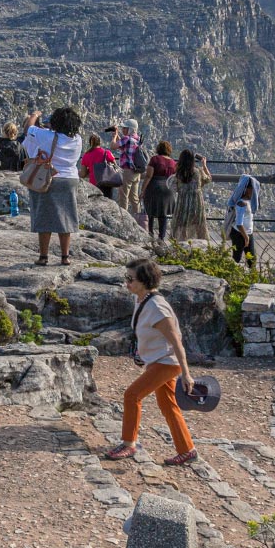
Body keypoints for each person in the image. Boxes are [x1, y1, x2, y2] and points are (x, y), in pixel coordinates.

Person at [101, 258, 199, 467]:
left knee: (132, 395)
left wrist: (186, 374)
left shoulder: (157, 308)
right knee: (167, 404)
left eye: (131, 279)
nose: (127, 282)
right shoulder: (142, 299)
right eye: (126, 278)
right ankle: (187, 450)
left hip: (166, 363)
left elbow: (177, 342)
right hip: (157, 361)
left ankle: (128, 443)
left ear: (144, 280)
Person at [21, 106, 84, 265]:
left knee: (44, 216)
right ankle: (65, 257)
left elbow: (28, 128)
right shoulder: (78, 139)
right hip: (70, 179)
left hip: (49, 178)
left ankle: (43, 257)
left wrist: (35, 115)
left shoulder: (48, 137)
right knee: (66, 217)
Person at [169, 149, 211, 242]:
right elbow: (208, 179)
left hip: (183, 201)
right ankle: (201, 242)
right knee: (199, 222)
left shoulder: (178, 173)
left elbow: (173, 187)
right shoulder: (198, 171)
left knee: (182, 222)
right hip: (196, 201)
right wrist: (204, 165)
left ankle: (180, 242)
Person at [141, 141, 178, 242]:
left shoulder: (154, 159)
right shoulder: (173, 163)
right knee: (164, 213)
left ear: (158, 149)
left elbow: (148, 176)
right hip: (168, 190)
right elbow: (175, 179)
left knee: (150, 211)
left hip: (154, 187)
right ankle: (161, 237)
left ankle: (150, 234)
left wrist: (142, 190)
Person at [113, 120, 146, 213]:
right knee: (134, 198)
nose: (123, 130)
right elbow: (124, 146)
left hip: (127, 171)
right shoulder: (138, 139)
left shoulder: (127, 139)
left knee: (123, 196)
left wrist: (115, 136)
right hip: (136, 172)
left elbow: (113, 146)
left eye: (125, 128)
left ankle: (123, 219)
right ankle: (138, 219)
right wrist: (117, 135)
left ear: (130, 129)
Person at [227, 174, 260, 264]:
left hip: (248, 233)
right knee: (236, 258)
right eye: (252, 189)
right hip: (239, 233)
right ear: (247, 189)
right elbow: (239, 223)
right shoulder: (241, 203)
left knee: (251, 260)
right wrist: (246, 237)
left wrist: (248, 236)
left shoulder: (250, 202)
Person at [80, 133, 121, 199]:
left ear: (90, 143)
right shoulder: (107, 152)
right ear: (99, 142)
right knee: (108, 204)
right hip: (107, 184)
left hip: (94, 185)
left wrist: (91, 171)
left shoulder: (86, 155)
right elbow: (115, 167)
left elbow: (82, 174)